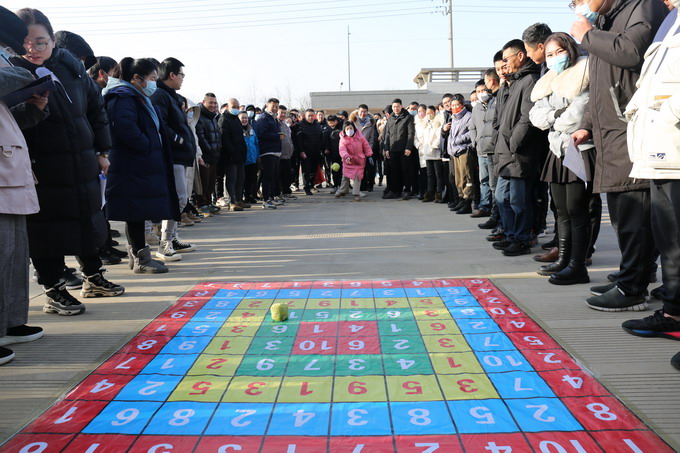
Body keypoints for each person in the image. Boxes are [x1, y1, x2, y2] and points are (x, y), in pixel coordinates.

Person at [13, 8, 124, 315]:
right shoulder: (12, 72)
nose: (33, 49)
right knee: (46, 230)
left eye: (40, 42)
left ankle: (93, 277)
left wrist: (102, 151)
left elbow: (96, 110)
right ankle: (53, 289)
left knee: (88, 219)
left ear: (52, 39)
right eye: (25, 44)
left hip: (82, 160)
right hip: (40, 167)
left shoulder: (70, 67)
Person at [570, 0, 668, 311]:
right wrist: (586, 125)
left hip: (630, 129)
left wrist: (588, 36)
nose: (580, 5)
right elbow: (600, 88)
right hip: (610, 131)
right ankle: (634, 275)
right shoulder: (606, 20)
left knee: (634, 212)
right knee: (625, 213)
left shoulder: (643, 5)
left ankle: (631, 288)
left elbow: (633, 51)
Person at [620, 2, 680, 368]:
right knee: (669, 238)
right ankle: (673, 313)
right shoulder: (672, 20)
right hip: (661, 148)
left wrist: (667, 112)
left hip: (673, 140)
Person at [102, 57, 179, 274]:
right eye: (152, 78)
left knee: (137, 212)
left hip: (138, 165)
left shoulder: (137, 97)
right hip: (131, 165)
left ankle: (139, 257)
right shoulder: (123, 97)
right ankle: (140, 259)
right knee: (134, 212)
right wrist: (146, 145)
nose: (154, 83)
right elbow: (124, 128)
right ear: (137, 78)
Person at [529, 33, 594, 285]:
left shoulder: (583, 73)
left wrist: (553, 117)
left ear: (571, 50)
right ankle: (564, 259)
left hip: (579, 148)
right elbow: (535, 116)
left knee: (578, 211)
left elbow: (577, 115)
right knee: (561, 211)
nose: (555, 58)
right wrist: (557, 114)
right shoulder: (547, 81)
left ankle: (578, 265)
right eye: (549, 54)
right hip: (556, 149)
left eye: (559, 52)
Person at [0, 6, 45, 364]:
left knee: (14, 253)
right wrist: (24, 73)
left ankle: (11, 321)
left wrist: (34, 106)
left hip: (10, 171)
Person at [493, 39, 548, 257]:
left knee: (519, 200)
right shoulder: (515, 82)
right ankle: (510, 234)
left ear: (520, 56)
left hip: (519, 152)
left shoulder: (530, 80)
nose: (505, 64)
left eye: (507, 59)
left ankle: (522, 238)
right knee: (502, 197)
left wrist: (513, 143)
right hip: (506, 152)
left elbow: (527, 118)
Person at [150, 57, 196, 261]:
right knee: (178, 199)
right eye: (181, 75)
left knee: (181, 199)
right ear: (172, 75)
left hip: (181, 156)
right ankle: (165, 243)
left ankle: (173, 237)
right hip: (173, 156)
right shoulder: (160, 95)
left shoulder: (172, 96)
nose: (183, 79)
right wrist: (178, 140)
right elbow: (161, 124)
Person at [471, 69, 501, 220]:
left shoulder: (494, 103)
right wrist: (475, 141)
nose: (481, 93)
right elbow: (472, 127)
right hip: (481, 149)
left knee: (494, 182)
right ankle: (484, 206)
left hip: (493, 148)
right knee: (483, 180)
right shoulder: (476, 108)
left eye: (483, 90)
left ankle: (495, 210)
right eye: (478, 91)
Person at [444, 94, 475, 214]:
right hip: (454, 151)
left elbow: (470, 133)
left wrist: (457, 140)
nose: (454, 107)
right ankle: (461, 199)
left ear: (462, 105)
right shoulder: (454, 118)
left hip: (464, 150)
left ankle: (467, 201)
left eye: (457, 105)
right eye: (452, 105)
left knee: (466, 177)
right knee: (458, 178)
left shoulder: (468, 116)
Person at [218, 98, 248, 212]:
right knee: (232, 179)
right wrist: (232, 152)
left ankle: (238, 199)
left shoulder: (236, 119)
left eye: (237, 107)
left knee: (240, 178)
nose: (235, 109)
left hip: (239, 155)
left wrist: (243, 151)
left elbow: (240, 137)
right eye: (233, 107)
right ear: (227, 107)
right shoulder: (224, 119)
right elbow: (224, 139)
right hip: (230, 156)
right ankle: (232, 202)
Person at [195, 92, 221, 215]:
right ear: (204, 102)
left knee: (211, 182)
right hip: (204, 156)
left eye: (215, 103)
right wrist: (210, 150)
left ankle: (209, 203)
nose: (213, 105)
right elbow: (201, 137)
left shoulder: (213, 117)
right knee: (203, 182)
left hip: (214, 156)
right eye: (210, 102)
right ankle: (201, 205)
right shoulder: (199, 116)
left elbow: (218, 135)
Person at [383, 99, 415, 200]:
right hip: (393, 149)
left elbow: (410, 133)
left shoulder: (408, 117)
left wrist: (408, 147)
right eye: (394, 107)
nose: (396, 108)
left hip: (404, 149)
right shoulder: (390, 118)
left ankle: (407, 190)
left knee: (405, 170)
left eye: (397, 106)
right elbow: (387, 135)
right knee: (394, 171)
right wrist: (387, 148)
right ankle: (395, 191)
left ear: (401, 106)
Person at [254, 98, 282, 209]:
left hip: (276, 151)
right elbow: (261, 134)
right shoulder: (263, 118)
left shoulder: (274, 118)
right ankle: (266, 200)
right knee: (268, 176)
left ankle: (271, 197)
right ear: (267, 105)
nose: (275, 108)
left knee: (274, 176)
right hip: (267, 151)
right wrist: (277, 136)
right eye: (273, 106)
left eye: (277, 107)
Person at [336, 122, 373, 202]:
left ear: (354, 128)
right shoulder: (343, 139)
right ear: (344, 130)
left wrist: (369, 155)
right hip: (348, 160)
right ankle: (343, 190)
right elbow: (342, 150)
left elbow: (366, 146)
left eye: (351, 128)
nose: (349, 130)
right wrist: (346, 156)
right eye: (347, 129)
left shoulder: (360, 137)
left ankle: (356, 193)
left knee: (357, 177)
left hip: (359, 160)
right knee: (345, 176)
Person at [415, 105, 444, 203]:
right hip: (427, 153)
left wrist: (434, 146)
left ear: (434, 112)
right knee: (430, 174)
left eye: (430, 113)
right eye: (427, 113)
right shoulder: (425, 124)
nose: (428, 115)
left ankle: (439, 193)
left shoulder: (438, 122)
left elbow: (439, 137)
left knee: (438, 174)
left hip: (435, 152)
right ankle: (430, 193)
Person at [351, 104, 378, 192]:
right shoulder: (353, 121)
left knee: (370, 168)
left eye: (365, 112)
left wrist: (369, 150)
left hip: (367, 149)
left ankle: (370, 185)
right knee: (359, 168)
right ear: (358, 112)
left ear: (367, 112)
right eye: (361, 112)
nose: (363, 113)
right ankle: (362, 186)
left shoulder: (371, 122)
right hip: (356, 149)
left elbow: (372, 138)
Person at [296, 109, 324, 196]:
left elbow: (321, 137)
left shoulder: (317, 125)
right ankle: (306, 187)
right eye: (309, 116)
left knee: (313, 170)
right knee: (306, 171)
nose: (311, 117)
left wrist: (321, 149)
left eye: (312, 116)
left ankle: (311, 185)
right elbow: (299, 140)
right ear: (305, 116)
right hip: (305, 152)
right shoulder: (300, 125)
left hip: (316, 152)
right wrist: (301, 151)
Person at [239, 111, 260, 205]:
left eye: (245, 118)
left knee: (251, 179)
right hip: (243, 160)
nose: (244, 120)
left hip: (252, 159)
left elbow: (256, 143)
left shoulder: (252, 130)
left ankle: (249, 196)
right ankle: (241, 197)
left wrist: (257, 156)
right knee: (242, 180)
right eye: (242, 118)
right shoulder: (238, 130)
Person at [277, 105, 296, 200]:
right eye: (281, 113)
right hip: (279, 155)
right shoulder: (275, 124)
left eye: (285, 113)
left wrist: (291, 149)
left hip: (287, 155)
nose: (283, 115)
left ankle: (286, 192)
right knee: (279, 176)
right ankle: (279, 193)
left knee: (287, 175)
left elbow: (289, 139)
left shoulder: (285, 125)